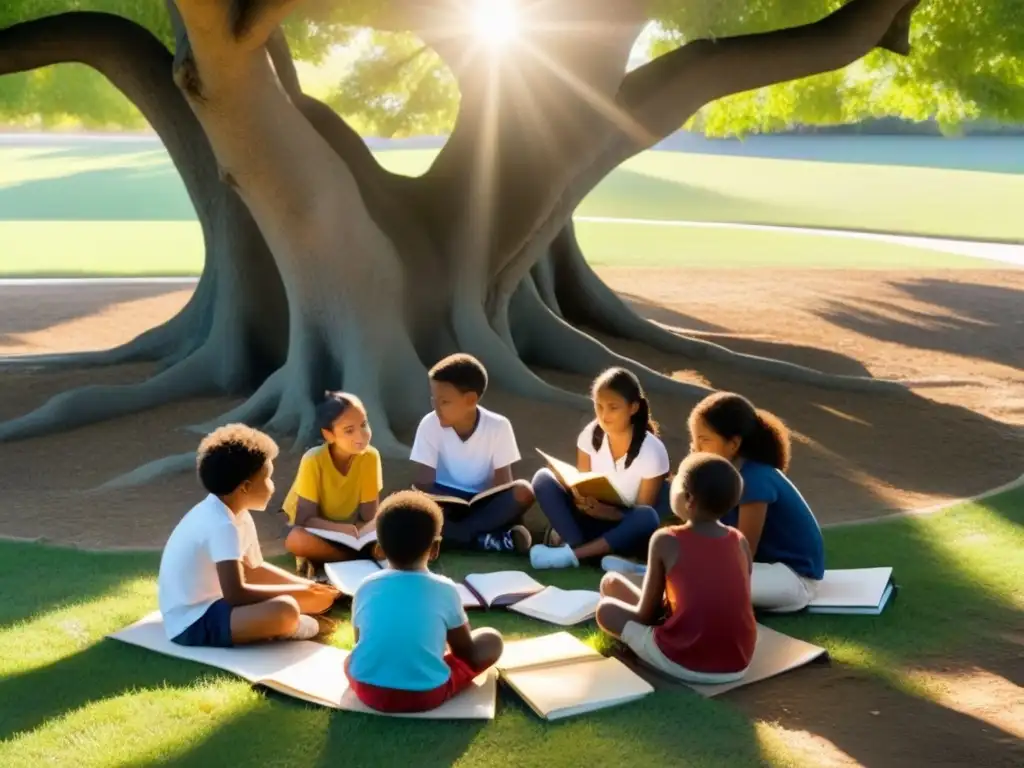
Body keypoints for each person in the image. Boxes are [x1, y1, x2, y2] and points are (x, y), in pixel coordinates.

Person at [158, 424, 340, 647]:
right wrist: (299, 593)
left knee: (300, 599)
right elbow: (236, 593)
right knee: (286, 609)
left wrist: (307, 587)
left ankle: (280, 619)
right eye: (268, 479)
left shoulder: (238, 514)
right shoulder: (221, 524)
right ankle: (287, 626)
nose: (272, 487)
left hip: (217, 604)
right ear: (245, 487)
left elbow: (254, 568)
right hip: (192, 622)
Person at [595, 453, 757, 684]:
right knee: (611, 583)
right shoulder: (739, 540)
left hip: (684, 661)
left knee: (606, 610)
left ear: (688, 498)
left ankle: (641, 652)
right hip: (739, 662)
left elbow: (646, 614)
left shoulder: (666, 539)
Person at [345, 490, 504, 713]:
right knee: (491, 640)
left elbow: (359, 644)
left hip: (367, 690)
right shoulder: (445, 589)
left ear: (379, 549)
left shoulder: (365, 586)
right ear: (436, 549)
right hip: (424, 695)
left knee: (350, 661)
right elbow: (465, 652)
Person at [687, 391, 825, 612]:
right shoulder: (729, 475)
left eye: (704, 440)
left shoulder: (754, 479)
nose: (696, 449)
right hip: (764, 570)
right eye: (694, 440)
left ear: (733, 444)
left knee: (696, 582)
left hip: (793, 580)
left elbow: (744, 553)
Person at [529, 367, 670, 569]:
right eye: (599, 406)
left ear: (633, 408)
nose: (604, 415)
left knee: (647, 515)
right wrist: (581, 499)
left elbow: (643, 508)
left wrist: (611, 513)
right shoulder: (590, 435)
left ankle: (573, 555)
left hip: (624, 529)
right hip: (590, 519)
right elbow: (584, 485)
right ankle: (586, 551)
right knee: (542, 479)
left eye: (613, 407)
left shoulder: (652, 450)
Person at [410, 353, 534, 553]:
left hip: (483, 505)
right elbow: (423, 483)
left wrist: (490, 507)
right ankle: (486, 540)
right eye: (434, 400)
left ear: (470, 400)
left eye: (444, 402)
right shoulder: (429, 424)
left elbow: (504, 484)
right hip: (445, 503)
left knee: (523, 490)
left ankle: (455, 537)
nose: (436, 408)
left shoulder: (498, 426)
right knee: (410, 506)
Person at [281, 392, 383, 575]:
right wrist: (344, 530)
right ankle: (360, 557)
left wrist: (363, 531)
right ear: (329, 435)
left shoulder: (370, 456)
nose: (361, 435)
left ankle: (335, 557)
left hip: (350, 532)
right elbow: (305, 519)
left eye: (364, 424)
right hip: (315, 529)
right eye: (349, 430)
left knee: (398, 522)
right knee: (297, 540)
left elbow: (369, 515)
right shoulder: (313, 460)